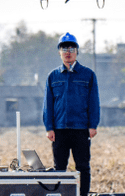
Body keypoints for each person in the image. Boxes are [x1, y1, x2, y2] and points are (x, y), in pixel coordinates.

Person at [43, 32, 100, 196]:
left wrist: (92, 125)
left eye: (71, 48)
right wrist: (49, 127)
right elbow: (48, 104)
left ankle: (82, 195)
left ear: (77, 51)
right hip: (59, 129)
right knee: (59, 167)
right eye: (64, 48)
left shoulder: (88, 75)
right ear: (59, 52)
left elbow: (93, 102)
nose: (68, 51)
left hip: (81, 128)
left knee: (83, 166)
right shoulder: (53, 76)